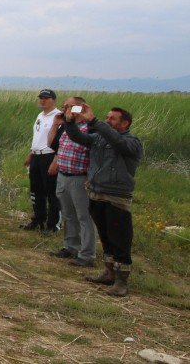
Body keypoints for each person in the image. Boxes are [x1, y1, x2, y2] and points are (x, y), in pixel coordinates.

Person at [64, 103, 143, 296]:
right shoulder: (100, 137)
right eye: (106, 117)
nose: (107, 121)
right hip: (97, 192)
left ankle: (121, 280)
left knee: (120, 239)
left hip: (116, 196)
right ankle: (109, 272)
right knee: (106, 236)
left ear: (125, 123)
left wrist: (95, 122)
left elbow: (117, 142)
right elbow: (79, 138)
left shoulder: (132, 142)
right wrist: (69, 122)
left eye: (112, 119)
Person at [47, 96, 96, 266]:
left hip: (80, 178)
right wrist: (56, 123)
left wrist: (91, 178)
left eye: (70, 107)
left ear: (81, 108)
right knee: (68, 215)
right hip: (63, 176)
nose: (65, 110)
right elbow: (52, 144)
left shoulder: (91, 129)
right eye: (64, 106)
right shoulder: (67, 127)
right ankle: (70, 247)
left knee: (84, 217)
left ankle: (87, 255)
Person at [22, 89, 62, 232]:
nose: (43, 100)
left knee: (51, 192)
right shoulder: (40, 115)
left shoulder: (58, 116)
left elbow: (61, 142)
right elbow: (37, 137)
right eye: (41, 97)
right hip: (37, 155)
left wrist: (55, 161)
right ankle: (38, 219)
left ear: (53, 100)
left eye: (46, 98)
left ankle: (53, 224)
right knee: (36, 190)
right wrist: (31, 154)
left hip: (49, 155)